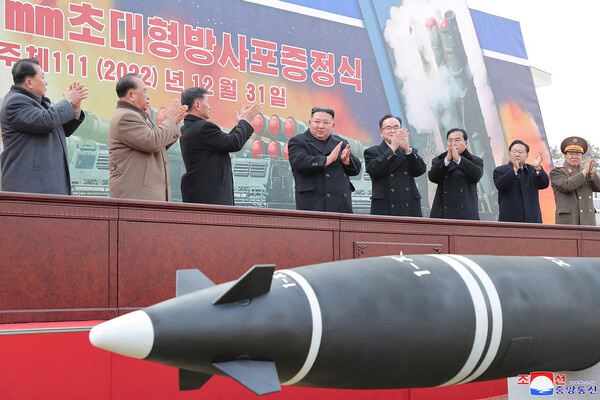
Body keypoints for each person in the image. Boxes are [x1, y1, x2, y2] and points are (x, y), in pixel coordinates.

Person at [0, 58, 88, 195]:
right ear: (29, 82)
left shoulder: (41, 104)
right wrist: (68, 101)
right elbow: (46, 122)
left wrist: (75, 108)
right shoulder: (15, 101)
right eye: (42, 77)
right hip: (29, 188)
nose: (45, 82)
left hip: (49, 187)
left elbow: (63, 129)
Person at [108, 73, 187, 201]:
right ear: (131, 95)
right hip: (136, 197)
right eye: (144, 91)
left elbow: (158, 145)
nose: (148, 96)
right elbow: (152, 142)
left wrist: (172, 123)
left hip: (146, 197)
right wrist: (170, 121)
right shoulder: (126, 116)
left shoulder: (139, 115)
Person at [179, 87, 260, 205]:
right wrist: (245, 121)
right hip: (211, 199)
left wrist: (241, 123)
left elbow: (226, 142)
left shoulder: (190, 128)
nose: (210, 107)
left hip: (202, 197)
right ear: (197, 105)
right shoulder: (203, 128)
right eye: (207, 102)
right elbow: (233, 143)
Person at [287, 107, 361, 213]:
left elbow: (356, 169)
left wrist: (347, 161)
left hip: (341, 205)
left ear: (333, 126)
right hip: (313, 204)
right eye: (317, 122)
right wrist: (327, 159)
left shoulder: (340, 142)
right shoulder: (298, 141)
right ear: (310, 123)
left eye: (326, 123)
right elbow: (299, 162)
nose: (321, 126)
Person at [364, 114, 426, 216]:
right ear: (381, 133)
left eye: (396, 127)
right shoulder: (372, 151)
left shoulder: (409, 151)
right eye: (388, 128)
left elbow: (420, 170)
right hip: (385, 206)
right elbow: (375, 170)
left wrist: (407, 150)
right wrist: (392, 149)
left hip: (409, 206)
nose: (393, 131)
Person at [428, 128, 483, 220]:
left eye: (457, 140)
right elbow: (432, 177)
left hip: (465, 214)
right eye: (450, 140)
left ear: (465, 143)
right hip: (443, 213)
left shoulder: (475, 160)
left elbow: (476, 175)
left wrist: (458, 159)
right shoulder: (439, 160)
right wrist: (447, 160)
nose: (453, 143)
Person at [492, 140, 549, 223]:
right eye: (514, 152)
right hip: (510, 221)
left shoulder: (533, 170)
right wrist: (514, 170)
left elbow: (544, 184)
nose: (517, 154)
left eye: (520, 152)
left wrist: (538, 168)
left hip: (532, 220)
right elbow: (500, 185)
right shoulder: (500, 170)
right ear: (509, 154)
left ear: (527, 155)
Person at [549, 136, 600, 226]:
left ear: (582, 156)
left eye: (577, 154)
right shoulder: (556, 171)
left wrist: (592, 173)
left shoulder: (587, 172)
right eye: (571, 154)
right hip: (568, 220)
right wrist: (584, 172)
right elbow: (567, 186)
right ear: (565, 156)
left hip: (588, 220)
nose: (574, 157)